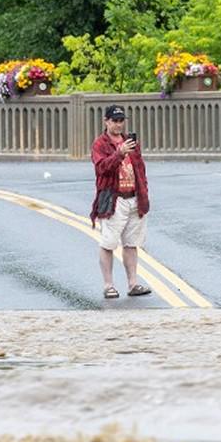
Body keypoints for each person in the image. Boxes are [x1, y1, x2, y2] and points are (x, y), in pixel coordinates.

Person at [90, 104, 151, 299]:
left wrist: (144, 194)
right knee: (108, 243)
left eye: (121, 120)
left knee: (131, 244)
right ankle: (108, 285)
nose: (118, 124)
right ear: (106, 121)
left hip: (134, 197)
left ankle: (133, 284)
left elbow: (140, 170)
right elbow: (101, 168)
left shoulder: (130, 142)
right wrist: (119, 153)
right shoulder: (100, 144)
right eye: (114, 120)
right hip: (114, 200)